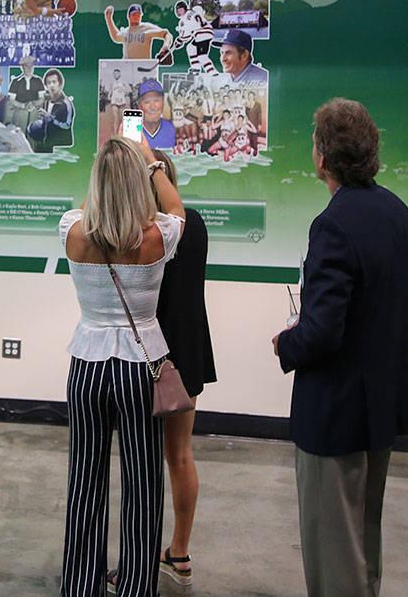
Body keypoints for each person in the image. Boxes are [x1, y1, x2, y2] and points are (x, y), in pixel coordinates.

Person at [271, 98, 408, 597]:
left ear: (321, 157)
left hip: (336, 413)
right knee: (363, 540)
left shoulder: (333, 224)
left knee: (333, 549)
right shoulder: (399, 214)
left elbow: (322, 332)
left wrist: (285, 342)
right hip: (380, 406)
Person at [59, 134, 186, 597]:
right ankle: (135, 586)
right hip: (139, 365)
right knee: (142, 481)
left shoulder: (72, 231)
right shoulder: (158, 236)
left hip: (87, 365)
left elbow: (90, 207)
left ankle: (80, 585)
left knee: (84, 479)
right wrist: (151, 163)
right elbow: (179, 211)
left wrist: (106, 166)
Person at [148, 150, 216, 587]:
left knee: (145, 460)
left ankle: (141, 553)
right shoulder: (196, 224)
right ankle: (180, 550)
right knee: (180, 455)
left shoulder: (150, 231)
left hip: (153, 356)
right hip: (189, 350)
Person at [28, 68, 74, 152]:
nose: (51, 85)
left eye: (54, 82)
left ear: (60, 84)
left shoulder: (66, 103)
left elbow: (67, 125)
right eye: (49, 83)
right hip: (46, 142)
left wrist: (51, 119)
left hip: (61, 146)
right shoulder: (47, 100)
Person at [104, 4, 171, 61]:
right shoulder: (125, 31)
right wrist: (109, 19)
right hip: (127, 67)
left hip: (143, 68)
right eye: (134, 14)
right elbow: (116, 37)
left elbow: (166, 34)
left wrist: (165, 47)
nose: (137, 16)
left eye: (138, 14)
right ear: (129, 16)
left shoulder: (146, 27)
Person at [137, 79, 175, 149]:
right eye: (147, 102)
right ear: (139, 105)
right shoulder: (132, 130)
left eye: (157, 100)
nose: (153, 107)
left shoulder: (171, 128)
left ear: (163, 102)